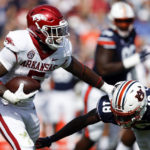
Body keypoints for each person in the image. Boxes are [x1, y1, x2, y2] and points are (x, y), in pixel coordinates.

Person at [0, 4, 115, 150]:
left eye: (60, 30)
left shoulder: (60, 51)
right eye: (54, 31)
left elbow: (81, 71)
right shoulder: (21, 44)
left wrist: (106, 87)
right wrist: (9, 95)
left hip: (28, 104)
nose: (59, 36)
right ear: (38, 31)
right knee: (25, 147)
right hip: (5, 104)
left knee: (38, 145)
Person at [75, 1, 150, 150]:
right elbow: (103, 69)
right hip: (99, 89)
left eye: (127, 21)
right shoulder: (108, 36)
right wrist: (132, 60)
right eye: (120, 21)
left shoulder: (131, 34)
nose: (124, 25)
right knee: (93, 135)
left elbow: (130, 66)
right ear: (112, 21)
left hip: (118, 90)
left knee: (116, 135)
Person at [36, 80, 150, 150]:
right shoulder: (115, 107)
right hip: (141, 127)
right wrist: (52, 138)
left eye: (126, 116)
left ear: (140, 108)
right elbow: (83, 121)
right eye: (119, 114)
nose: (120, 119)